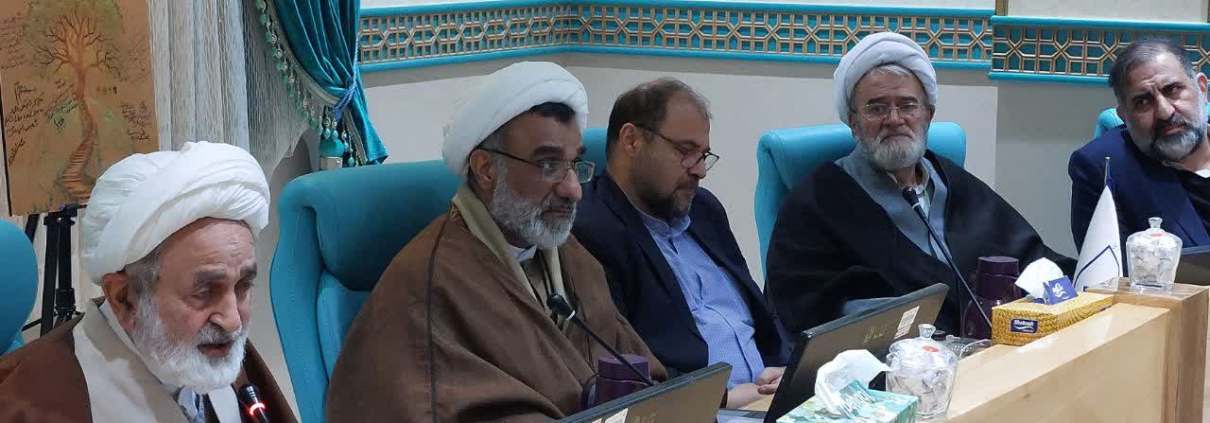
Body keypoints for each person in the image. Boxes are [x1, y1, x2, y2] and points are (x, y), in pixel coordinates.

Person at [327, 62, 666, 422]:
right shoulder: (426, 283)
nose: (573, 190)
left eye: (575, 165)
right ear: (486, 168)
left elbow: (643, 377)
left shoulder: (574, 257)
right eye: (549, 165)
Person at [765, 32, 1073, 335]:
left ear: (928, 115)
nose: (894, 119)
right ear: (854, 122)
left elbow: (1031, 259)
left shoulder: (953, 181)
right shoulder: (815, 202)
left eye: (907, 105)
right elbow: (806, 311)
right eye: (876, 108)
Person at [0, 142, 295, 423]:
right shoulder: (29, 404)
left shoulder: (218, 350)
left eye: (242, 286)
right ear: (125, 298)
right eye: (205, 291)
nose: (233, 322)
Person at [574, 78, 790, 408]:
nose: (700, 171)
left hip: (768, 398)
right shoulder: (589, 230)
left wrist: (785, 371)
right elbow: (618, 363)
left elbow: (760, 321)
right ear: (632, 140)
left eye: (704, 155)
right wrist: (723, 400)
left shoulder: (704, 209)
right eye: (686, 153)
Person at [1070, 38, 1210, 251]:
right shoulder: (1104, 168)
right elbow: (1110, 269)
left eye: (1172, 89)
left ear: (1202, 89)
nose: (1164, 112)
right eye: (1143, 102)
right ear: (1124, 116)